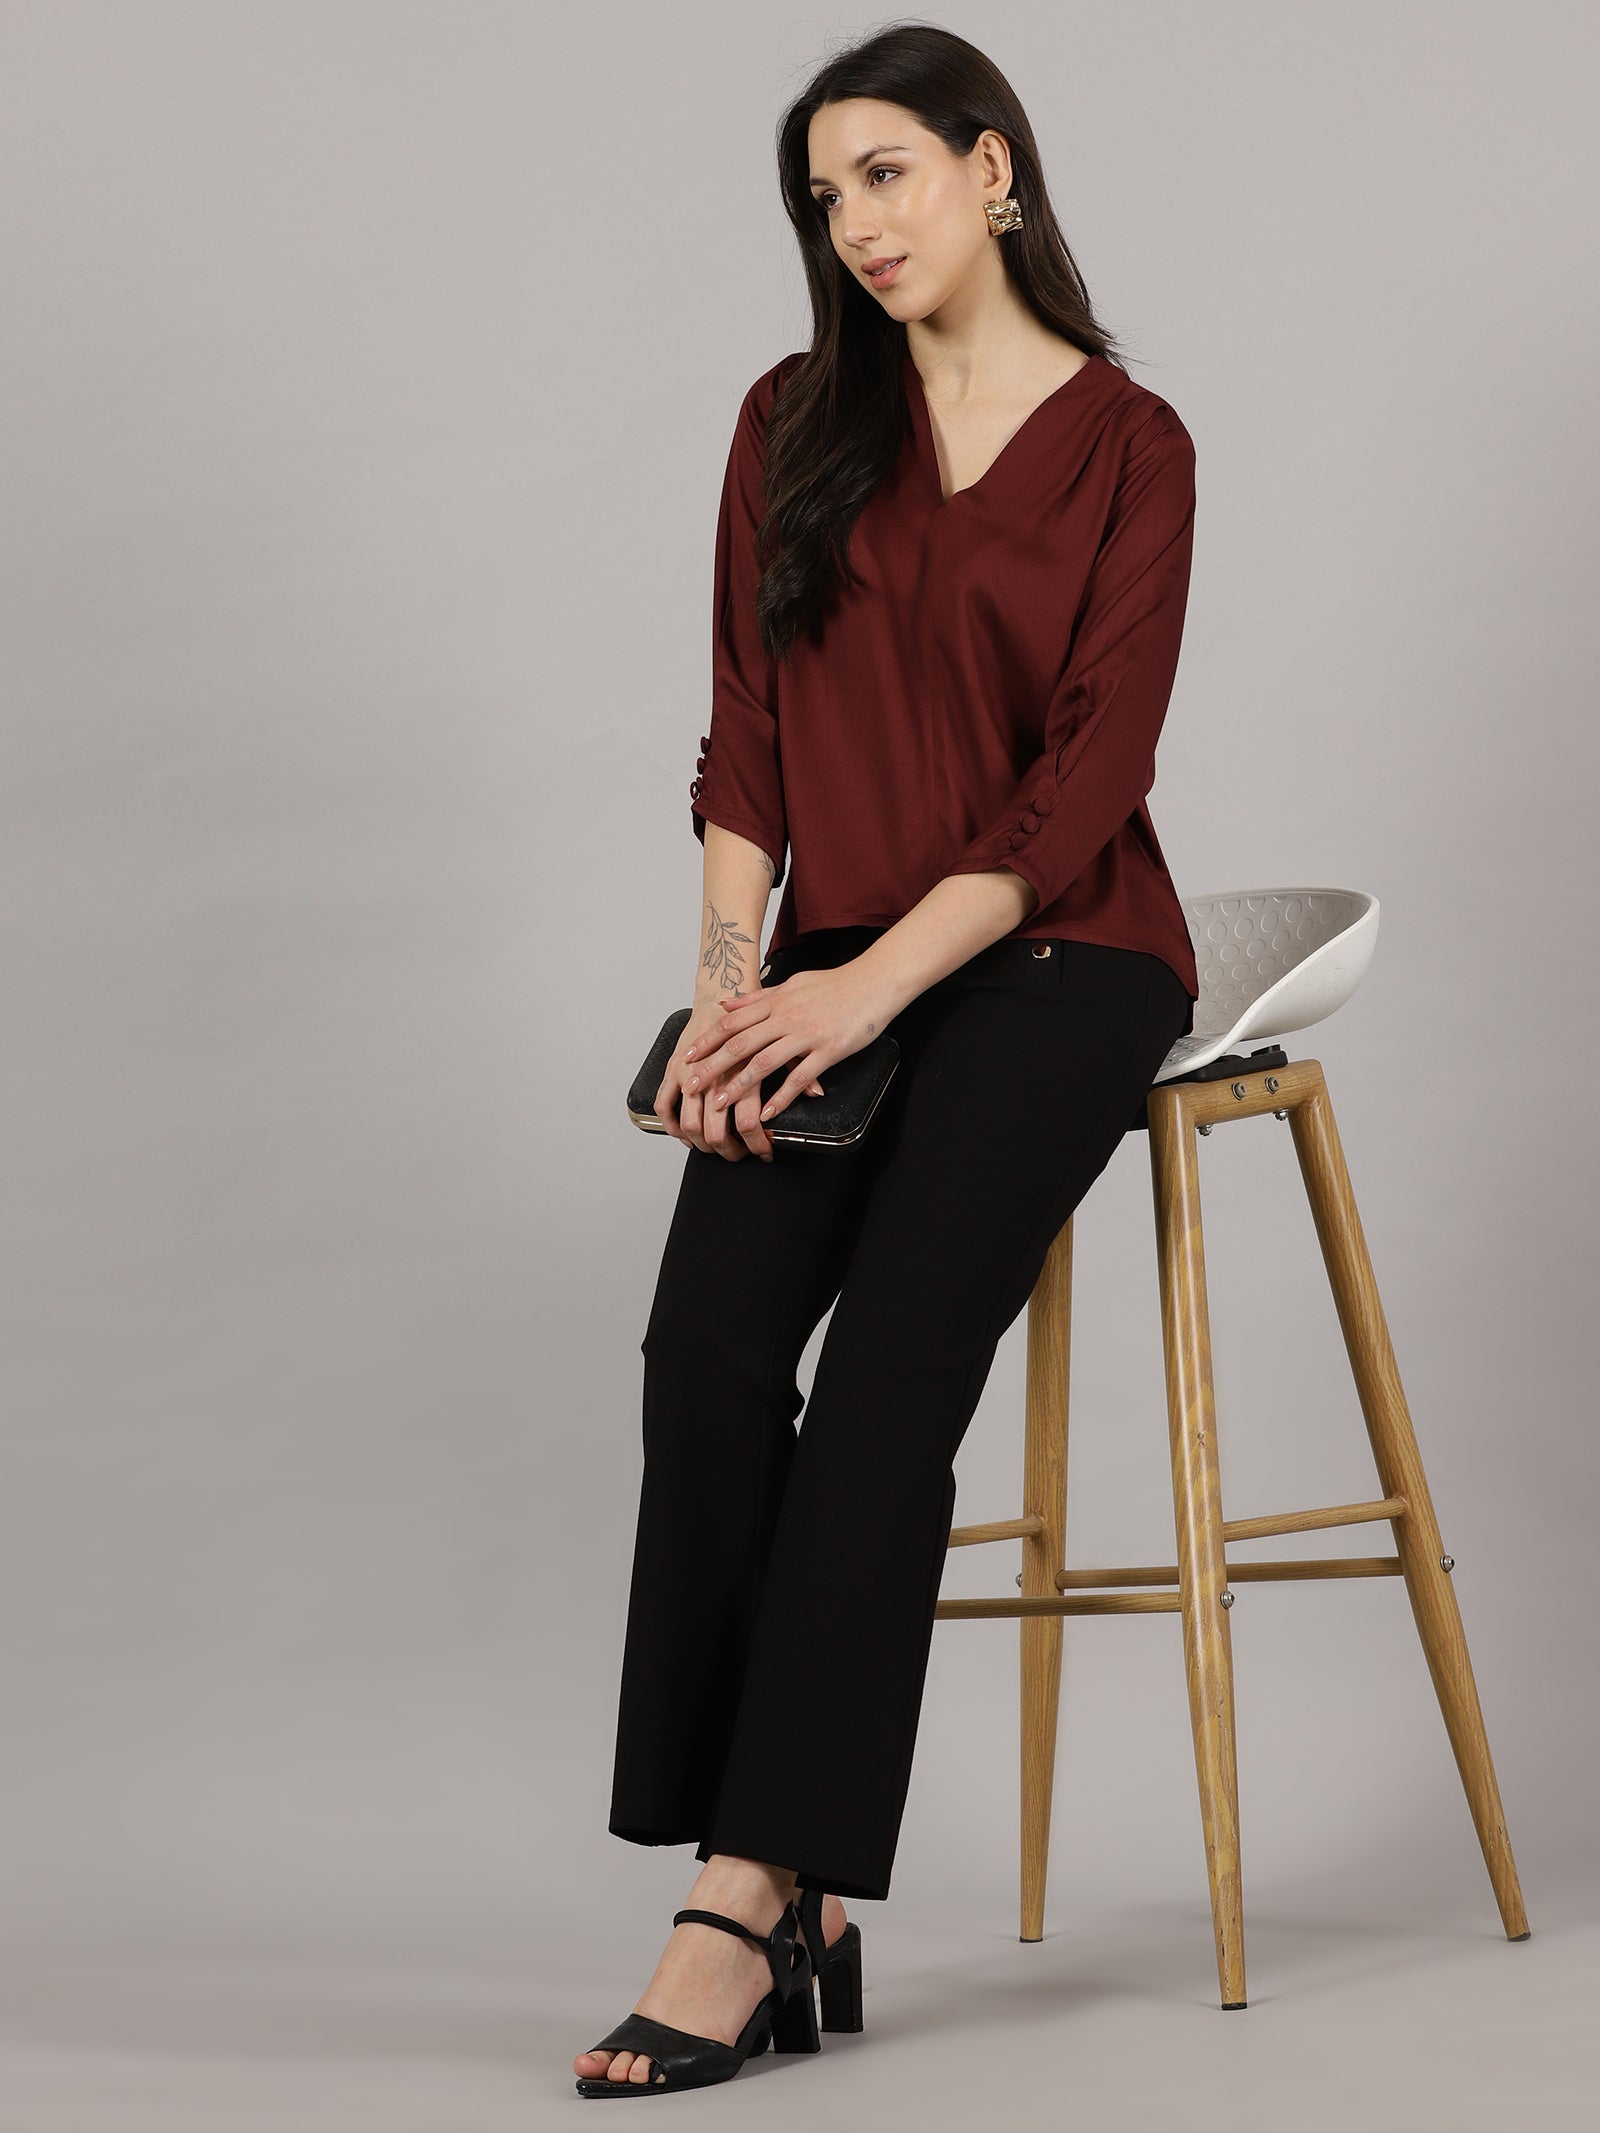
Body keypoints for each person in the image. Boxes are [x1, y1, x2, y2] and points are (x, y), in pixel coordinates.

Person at [576, 21, 1202, 2097]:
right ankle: (781, 1879)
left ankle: (747, 1892)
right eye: (821, 195)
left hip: (1057, 958)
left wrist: (862, 992)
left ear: (990, 169)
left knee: (884, 1391)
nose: (852, 222)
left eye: (885, 174)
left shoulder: (1130, 445)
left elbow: (1084, 778)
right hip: (828, 959)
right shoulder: (792, 419)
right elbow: (747, 730)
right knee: (703, 1352)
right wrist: (730, 987)